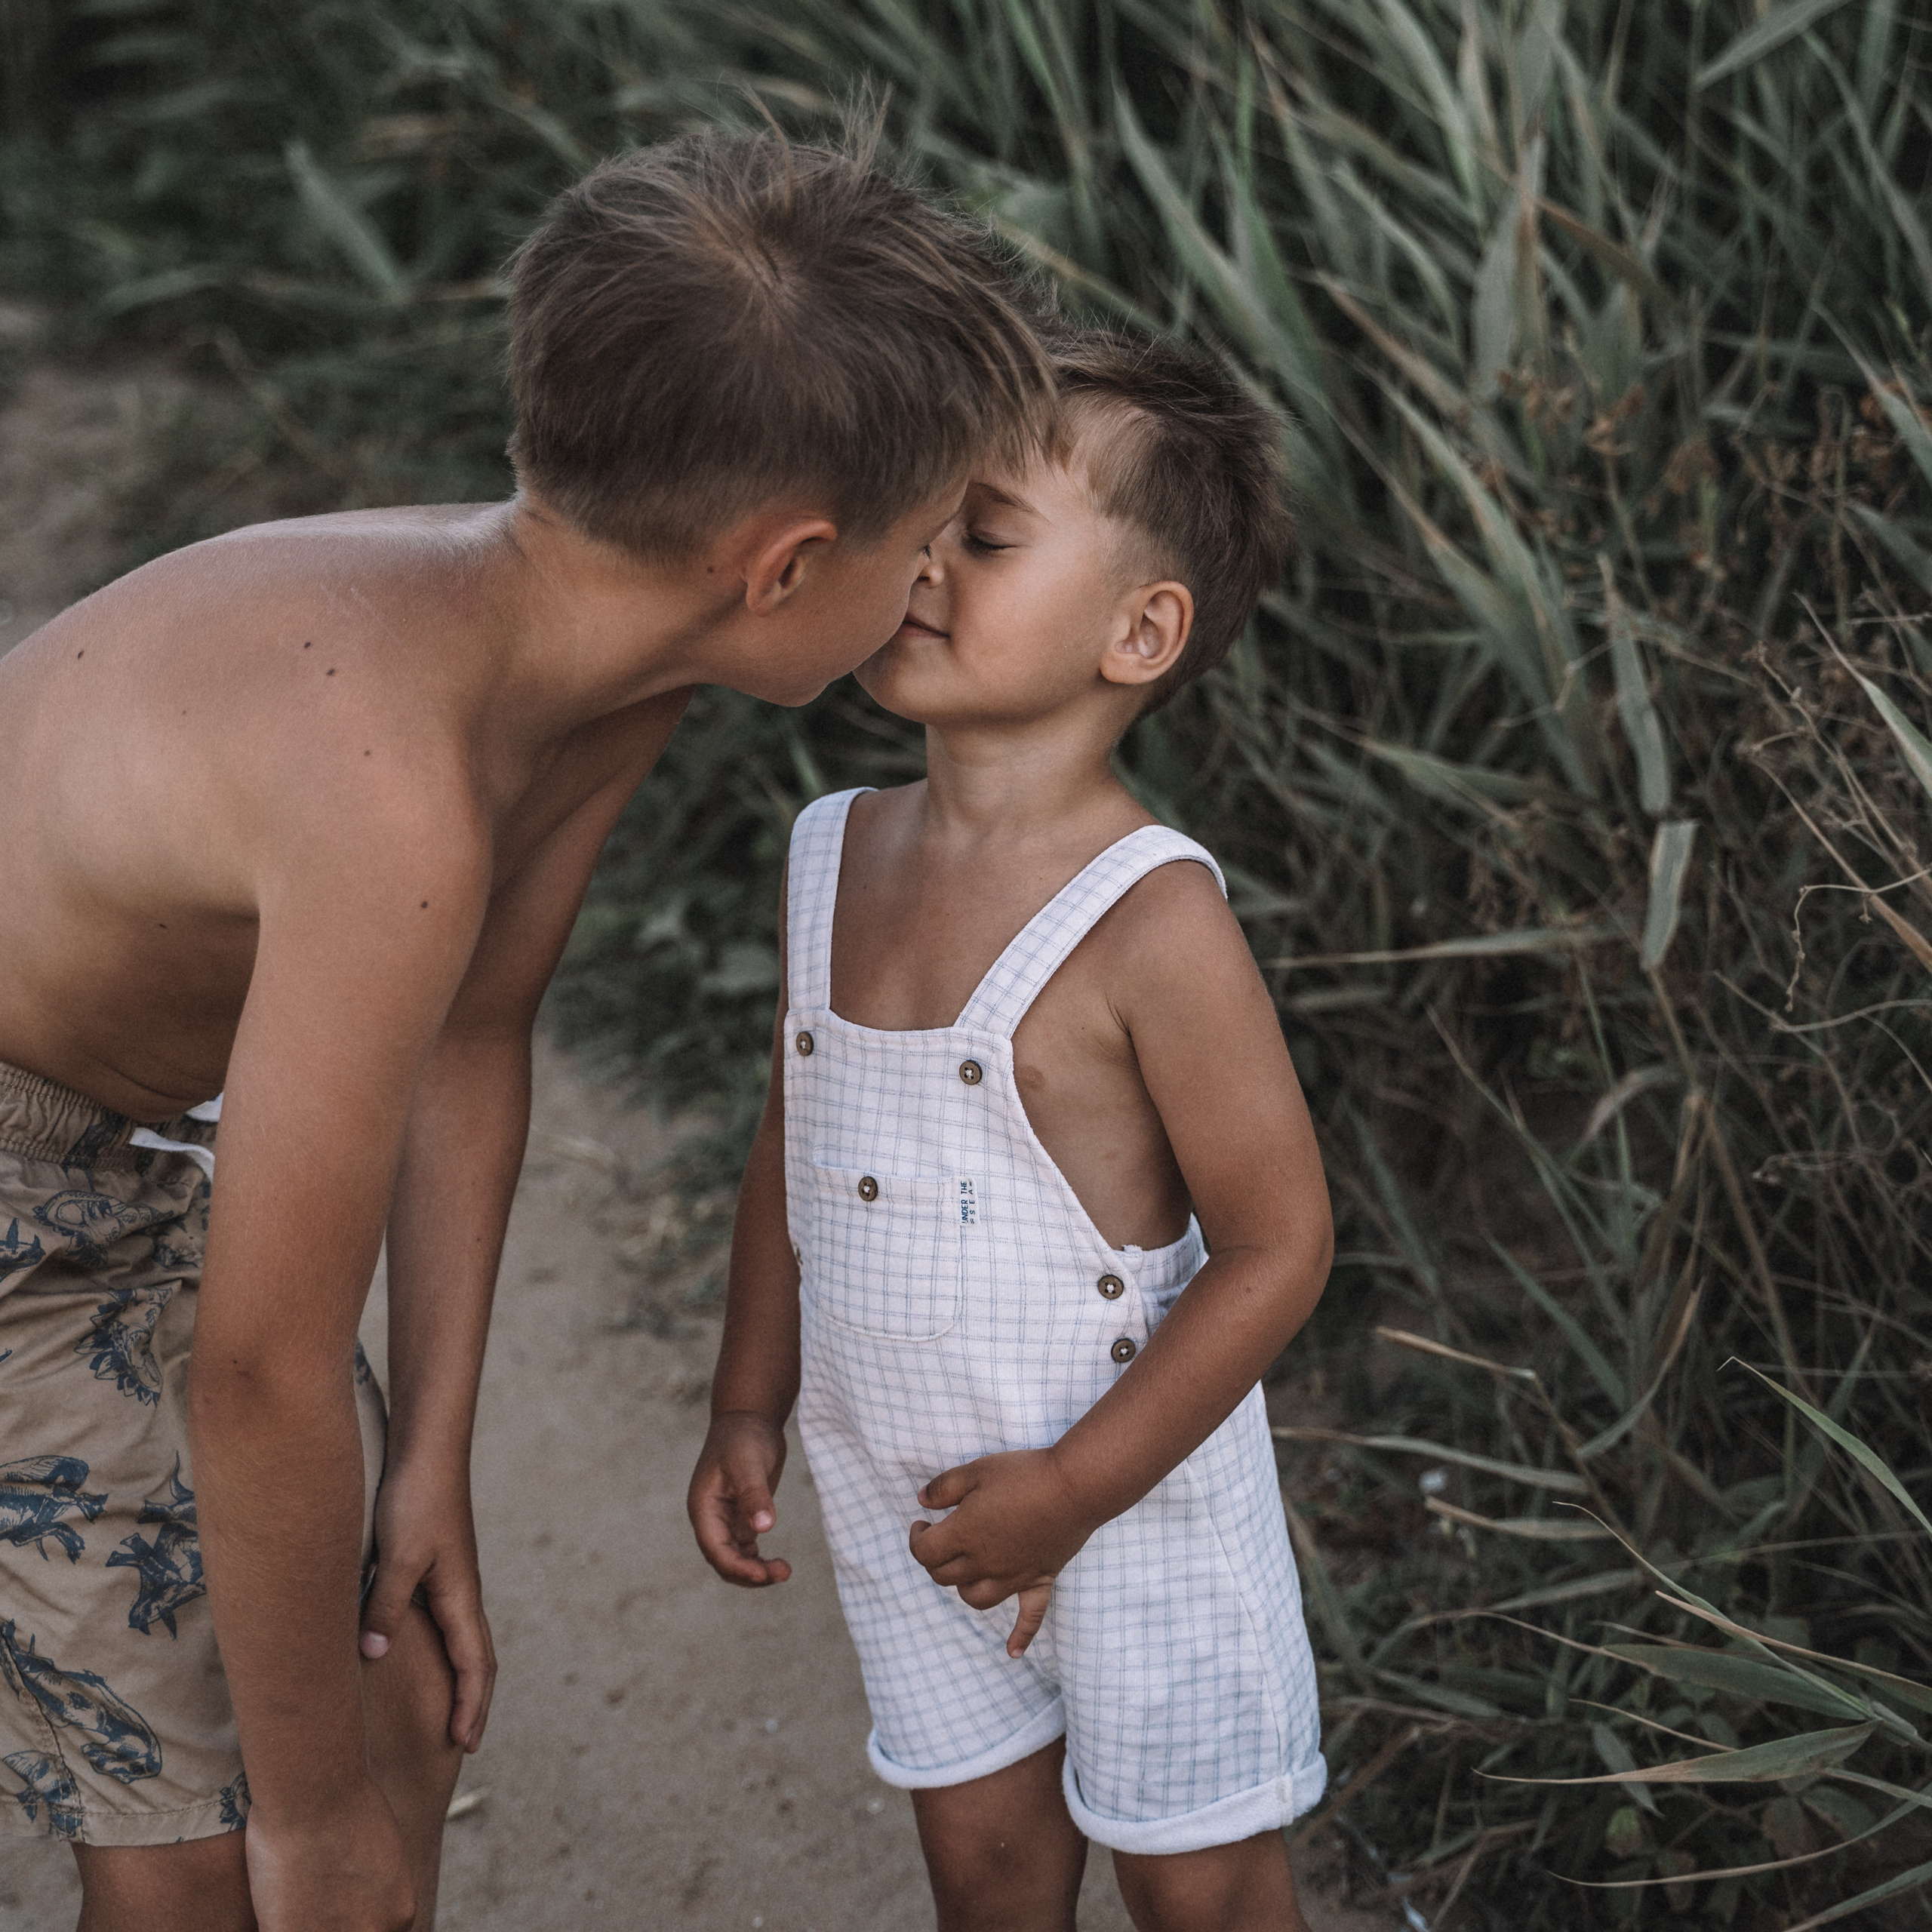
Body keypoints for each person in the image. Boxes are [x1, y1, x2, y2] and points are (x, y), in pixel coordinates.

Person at [0, 131, 1051, 1932]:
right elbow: (260, 1371)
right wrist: (314, 1822)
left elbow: (476, 1032)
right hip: (25, 1198)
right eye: (934, 528)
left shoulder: (589, 660)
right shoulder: (387, 787)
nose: (940, 572)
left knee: (384, 1684)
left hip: (111, 1152)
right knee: (204, 1859)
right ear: (787, 564)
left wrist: (429, 1463)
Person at [690, 331, 1333, 1932]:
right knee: (981, 1863)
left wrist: (1076, 1485)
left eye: (980, 534)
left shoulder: (1150, 916)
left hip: (1132, 1494)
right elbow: (800, 1130)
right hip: (908, 1489)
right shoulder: (832, 849)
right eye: (919, 520)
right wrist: (748, 1390)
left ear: (1140, 629)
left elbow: (1279, 1244)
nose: (920, 560)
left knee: (1198, 1883)